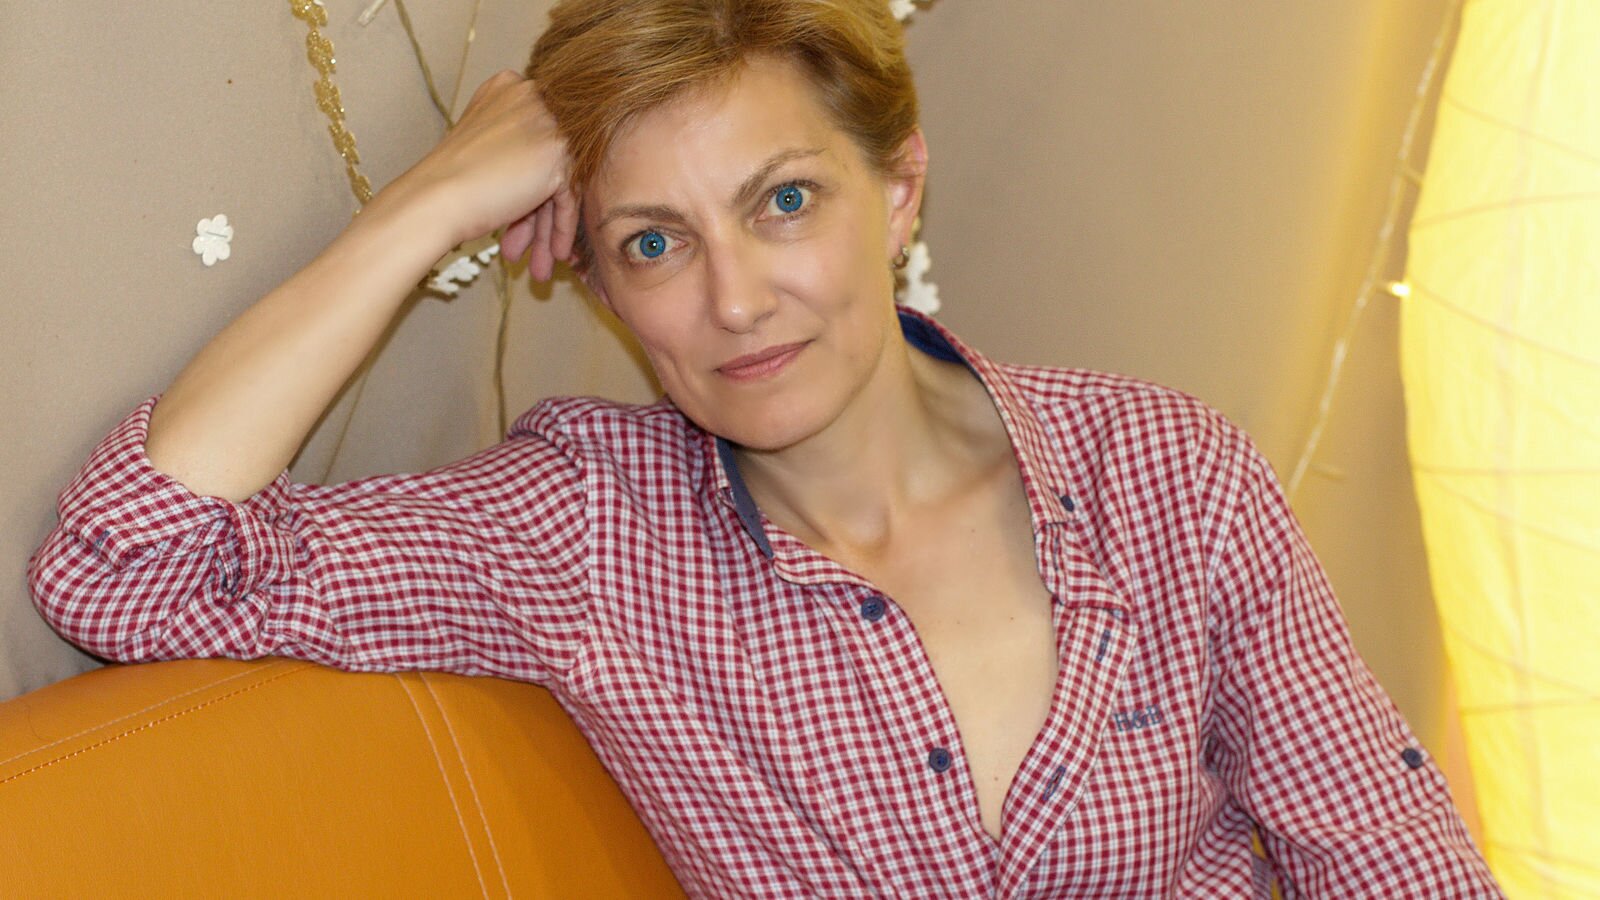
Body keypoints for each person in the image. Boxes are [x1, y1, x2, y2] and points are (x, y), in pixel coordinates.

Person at [28, 1, 1502, 896]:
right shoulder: (590, 530)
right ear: (599, 289)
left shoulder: (1163, 476)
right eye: (653, 243)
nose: (733, 300)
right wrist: (425, 208)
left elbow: (1393, 863)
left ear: (898, 191)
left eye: (783, 202)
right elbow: (124, 562)